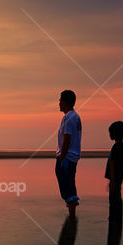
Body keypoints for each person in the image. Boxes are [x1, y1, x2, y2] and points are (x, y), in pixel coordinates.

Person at [55, 90, 81, 218]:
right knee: (70, 184)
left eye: (60, 100)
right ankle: (72, 215)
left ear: (65, 102)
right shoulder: (75, 116)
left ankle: (72, 216)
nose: (59, 103)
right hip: (72, 157)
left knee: (67, 186)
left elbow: (67, 138)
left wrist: (62, 157)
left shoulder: (68, 117)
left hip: (67, 157)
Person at [105, 121, 123, 223]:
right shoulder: (120, 145)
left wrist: (112, 180)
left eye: (111, 133)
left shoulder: (117, 147)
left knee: (114, 198)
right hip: (117, 177)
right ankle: (116, 216)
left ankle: (114, 217)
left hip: (116, 178)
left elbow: (113, 164)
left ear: (115, 133)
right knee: (116, 197)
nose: (110, 135)